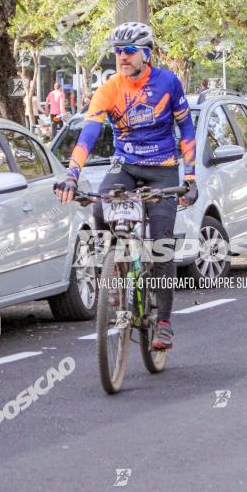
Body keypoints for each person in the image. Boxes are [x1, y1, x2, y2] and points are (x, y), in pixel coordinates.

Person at [54, 22, 198, 351]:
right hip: (126, 166)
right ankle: (116, 268)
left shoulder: (168, 83)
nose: (122, 57)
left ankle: (163, 322)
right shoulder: (109, 88)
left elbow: (186, 131)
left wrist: (189, 179)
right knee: (100, 205)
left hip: (162, 169)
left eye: (129, 51)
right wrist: (72, 175)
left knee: (161, 247)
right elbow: (88, 134)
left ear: (146, 55)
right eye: (117, 52)